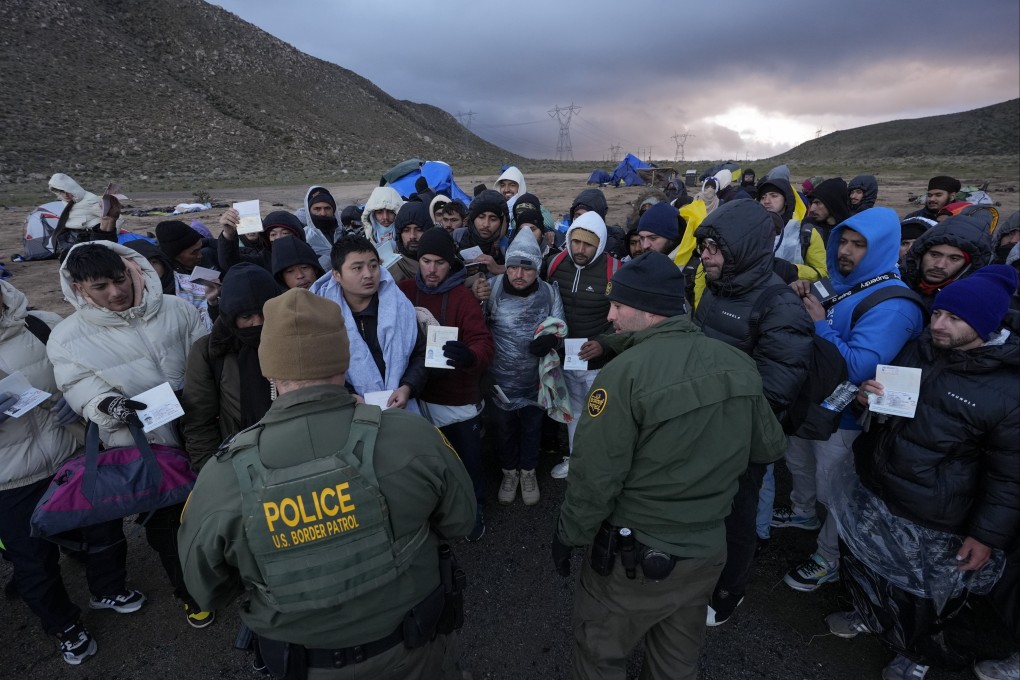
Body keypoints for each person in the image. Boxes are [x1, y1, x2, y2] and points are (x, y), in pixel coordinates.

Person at [178, 288, 478, 680]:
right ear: (344, 357)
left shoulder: (223, 474)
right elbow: (460, 520)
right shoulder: (413, 436)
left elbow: (206, 588)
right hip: (414, 649)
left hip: (303, 662)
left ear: (269, 369)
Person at [552, 252, 787, 680]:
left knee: (600, 653)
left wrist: (571, 534)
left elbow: (595, 476)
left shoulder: (623, 376)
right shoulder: (737, 363)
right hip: (706, 552)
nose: (610, 315)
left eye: (618, 306)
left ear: (648, 310)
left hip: (635, 556)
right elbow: (768, 446)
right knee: (676, 663)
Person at [825, 265, 1019, 680]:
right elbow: (889, 405)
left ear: (985, 323)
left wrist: (986, 536)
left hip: (937, 513)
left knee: (925, 593)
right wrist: (866, 397)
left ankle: (918, 653)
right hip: (879, 485)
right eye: (938, 313)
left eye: (954, 318)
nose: (939, 324)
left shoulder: (1008, 390)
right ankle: (872, 615)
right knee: (871, 563)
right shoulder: (921, 348)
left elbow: (1009, 476)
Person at [46, 242, 211, 624]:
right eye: (101, 286)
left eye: (120, 279)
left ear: (133, 271)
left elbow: (207, 359)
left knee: (216, 510)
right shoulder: (66, 337)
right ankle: (189, 592)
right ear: (79, 288)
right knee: (167, 529)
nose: (116, 291)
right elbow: (79, 387)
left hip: (202, 431)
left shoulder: (178, 309)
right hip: (146, 448)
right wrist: (107, 406)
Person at [776, 207, 924, 592]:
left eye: (859, 245)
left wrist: (818, 324)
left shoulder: (894, 304)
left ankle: (829, 557)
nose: (845, 250)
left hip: (844, 418)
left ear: (883, 248)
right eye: (843, 240)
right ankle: (802, 512)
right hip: (808, 401)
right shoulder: (840, 282)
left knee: (836, 492)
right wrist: (801, 294)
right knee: (798, 464)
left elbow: (859, 367)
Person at [0, 280, 136, 665]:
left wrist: (76, 402)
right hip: (10, 479)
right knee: (33, 561)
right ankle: (63, 624)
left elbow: (83, 375)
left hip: (71, 453)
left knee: (104, 529)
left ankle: (107, 589)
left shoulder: (41, 324)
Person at [692, 200, 814, 626]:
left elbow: (774, 392)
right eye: (703, 246)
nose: (704, 255)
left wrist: (723, 429)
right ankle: (703, 570)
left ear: (742, 249)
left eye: (714, 248)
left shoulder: (780, 307)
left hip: (743, 439)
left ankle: (729, 591)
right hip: (704, 426)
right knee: (707, 508)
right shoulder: (717, 289)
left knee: (737, 516)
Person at [398, 229, 494, 541]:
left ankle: (475, 508)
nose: (432, 269)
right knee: (427, 463)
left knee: (467, 463)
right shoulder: (402, 291)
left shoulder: (463, 298)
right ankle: (435, 512)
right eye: (426, 260)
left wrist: (470, 356)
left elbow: (483, 342)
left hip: (457, 399)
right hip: (416, 396)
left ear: (450, 264)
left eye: (440, 262)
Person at [484, 229, 565, 506]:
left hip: (537, 380)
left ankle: (528, 472)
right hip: (499, 381)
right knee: (504, 429)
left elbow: (561, 327)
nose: (518, 274)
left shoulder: (549, 293)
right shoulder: (492, 289)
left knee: (532, 428)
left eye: (527, 268)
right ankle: (509, 473)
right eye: (512, 267)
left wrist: (552, 340)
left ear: (538, 268)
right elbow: (478, 330)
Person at [542, 210, 620, 479]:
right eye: (575, 241)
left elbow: (623, 317)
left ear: (600, 245)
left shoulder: (615, 271)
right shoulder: (555, 263)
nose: (580, 249)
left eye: (588, 244)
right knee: (574, 411)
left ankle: (601, 468)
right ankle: (576, 461)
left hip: (597, 362)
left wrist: (603, 344)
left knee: (601, 415)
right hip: (564, 358)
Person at [181, 263, 281, 470]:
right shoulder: (210, 353)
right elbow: (199, 421)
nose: (257, 323)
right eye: (246, 316)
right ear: (230, 315)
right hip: (239, 463)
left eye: (264, 313)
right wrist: (212, 473)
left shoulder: (296, 339)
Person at [310, 236, 426, 410]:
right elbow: (319, 368)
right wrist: (347, 395)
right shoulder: (322, 316)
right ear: (337, 275)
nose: (368, 274)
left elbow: (421, 354)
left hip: (400, 408)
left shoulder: (399, 307)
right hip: (347, 410)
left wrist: (407, 387)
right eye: (357, 268)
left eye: (373, 266)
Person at [901, 215, 994, 311]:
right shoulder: (897, 282)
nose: (940, 265)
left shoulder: (972, 302)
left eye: (954, 259)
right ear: (920, 254)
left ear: (967, 265)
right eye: (934, 255)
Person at [757, 176, 828, 282]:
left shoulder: (806, 233)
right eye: (763, 197)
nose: (766, 201)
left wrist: (794, 270)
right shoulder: (751, 229)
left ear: (786, 200)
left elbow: (822, 272)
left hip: (792, 290)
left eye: (774, 196)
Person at [155, 220, 217, 329]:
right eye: (194, 252)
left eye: (200, 249)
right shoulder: (169, 284)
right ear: (175, 254)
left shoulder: (207, 255)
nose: (200, 255)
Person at [217, 209, 312, 273]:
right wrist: (228, 234)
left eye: (285, 233)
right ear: (267, 239)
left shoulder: (310, 255)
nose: (279, 238)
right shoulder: (263, 260)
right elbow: (230, 263)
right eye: (273, 234)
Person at [390, 201, 432, 282]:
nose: (412, 236)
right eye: (406, 230)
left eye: (419, 229)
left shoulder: (443, 260)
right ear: (399, 234)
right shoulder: (390, 269)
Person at [805, 177, 851, 245]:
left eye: (817, 203)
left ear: (832, 203)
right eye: (812, 203)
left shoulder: (851, 230)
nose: (812, 209)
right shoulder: (807, 225)